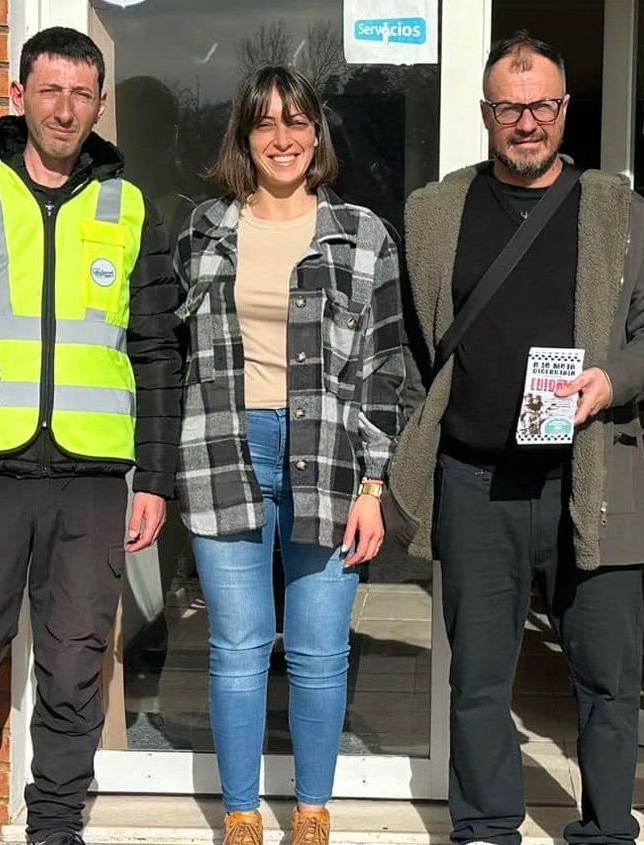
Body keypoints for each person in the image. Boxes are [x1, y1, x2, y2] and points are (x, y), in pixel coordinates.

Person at [386, 32, 644, 845]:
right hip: (476, 479)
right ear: (486, 114)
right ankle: (486, 825)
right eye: (510, 107)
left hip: (592, 475)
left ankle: (607, 828)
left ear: (564, 110)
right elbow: (416, 348)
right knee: (480, 679)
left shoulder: (621, 213)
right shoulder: (433, 212)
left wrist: (612, 381)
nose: (528, 122)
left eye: (543, 106)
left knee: (606, 678)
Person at [0, 27, 182, 845]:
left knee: (76, 672)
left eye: (82, 93)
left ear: (98, 103)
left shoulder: (129, 207)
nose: (65, 108)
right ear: (18, 96)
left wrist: (154, 476)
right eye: (50, 90)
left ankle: (55, 830)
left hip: (88, 479)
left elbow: (159, 351)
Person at [171, 65, 405, 845]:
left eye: (298, 121)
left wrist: (375, 482)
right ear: (244, 137)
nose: (284, 138)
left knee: (317, 648)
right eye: (266, 123)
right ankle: (241, 813)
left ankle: (311, 810)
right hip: (225, 450)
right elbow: (175, 355)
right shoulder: (203, 231)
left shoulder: (362, 235)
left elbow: (385, 369)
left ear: (317, 134)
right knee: (236, 645)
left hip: (331, 458)